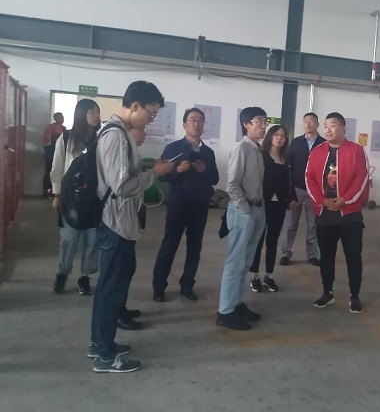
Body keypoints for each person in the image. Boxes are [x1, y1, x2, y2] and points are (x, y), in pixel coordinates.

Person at [89, 81, 173, 373]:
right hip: (114, 224)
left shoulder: (120, 134)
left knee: (111, 287)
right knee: (111, 289)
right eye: (151, 112)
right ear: (135, 106)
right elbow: (122, 186)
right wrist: (154, 174)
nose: (151, 119)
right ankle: (104, 356)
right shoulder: (115, 136)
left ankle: (100, 344)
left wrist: (148, 170)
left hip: (120, 222)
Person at [152, 108, 219, 302]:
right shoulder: (173, 148)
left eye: (200, 120)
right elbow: (162, 176)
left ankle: (187, 285)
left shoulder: (208, 153)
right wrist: (178, 171)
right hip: (178, 205)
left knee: (194, 248)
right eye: (192, 120)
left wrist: (204, 170)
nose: (196, 123)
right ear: (184, 124)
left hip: (199, 207)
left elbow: (215, 178)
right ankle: (159, 287)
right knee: (169, 245)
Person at [305, 112, 369, 314]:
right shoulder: (317, 151)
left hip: (349, 214)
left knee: (353, 257)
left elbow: (362, 178)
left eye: (332, 125)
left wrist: (345, 200)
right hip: (324, 214)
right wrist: (321, 200)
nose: (328, 129)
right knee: (326, 257)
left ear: (343, 128)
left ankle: (354, 295)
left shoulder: (357, 150)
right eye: (325, 126)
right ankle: (327, 292)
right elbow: (309, 178)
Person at [216, 107, 267, 331]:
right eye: (259, 122)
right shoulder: (241, 149)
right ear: (246, 124)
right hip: (242, 211)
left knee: (245, 262)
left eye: (265, 122)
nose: (263, 126)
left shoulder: (257, 150)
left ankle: (236, 304)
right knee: (235, 262)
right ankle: (225, 311)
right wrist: (245, 210)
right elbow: (232, 185)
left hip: (257, 209)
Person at [50, 100, 101, 295]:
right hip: (71, 199)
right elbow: (57, 167)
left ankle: (85, 277)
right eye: (91, 112)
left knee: (92, 242)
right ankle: (63, 272)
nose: (96, 115)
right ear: (81, 114)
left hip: (95, 200)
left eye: (97, 112)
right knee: (69, 239)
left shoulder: (103, 139)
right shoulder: (66, 138)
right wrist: (57, 194)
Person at [249, 125, 295, 293]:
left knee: (272, 241)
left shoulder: (285, 159)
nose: (279, 138)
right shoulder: (261, 156)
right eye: (276, 135)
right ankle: (254, 276)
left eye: (282, 136)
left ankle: (269, 275)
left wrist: (291, 198)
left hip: (279, 204)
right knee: (258, 240)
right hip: (263, 202)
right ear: (270, 137)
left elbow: (289, 181)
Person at [278, 113, 325, 266]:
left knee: (313, 224)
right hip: (297, 188)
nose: (308, 124)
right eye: (305, 122)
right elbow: (288, 165)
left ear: (317, 124)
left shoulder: (324, 144)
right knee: (290, 223)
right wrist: (288, 188)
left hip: (316, 191)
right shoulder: (296, 143)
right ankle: (285, 253)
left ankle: (312, 255)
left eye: (311, 121)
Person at [43, 112, 66, 197]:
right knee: (49, 170)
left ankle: (55, 191)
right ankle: (46, 190)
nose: (62, 119)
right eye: (60, 117)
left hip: (60, 152)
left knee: (59, 170)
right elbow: (46, 140)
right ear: (56, 119)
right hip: (50, 152)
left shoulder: (64, 128)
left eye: (63, 117)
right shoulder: (50, 127)